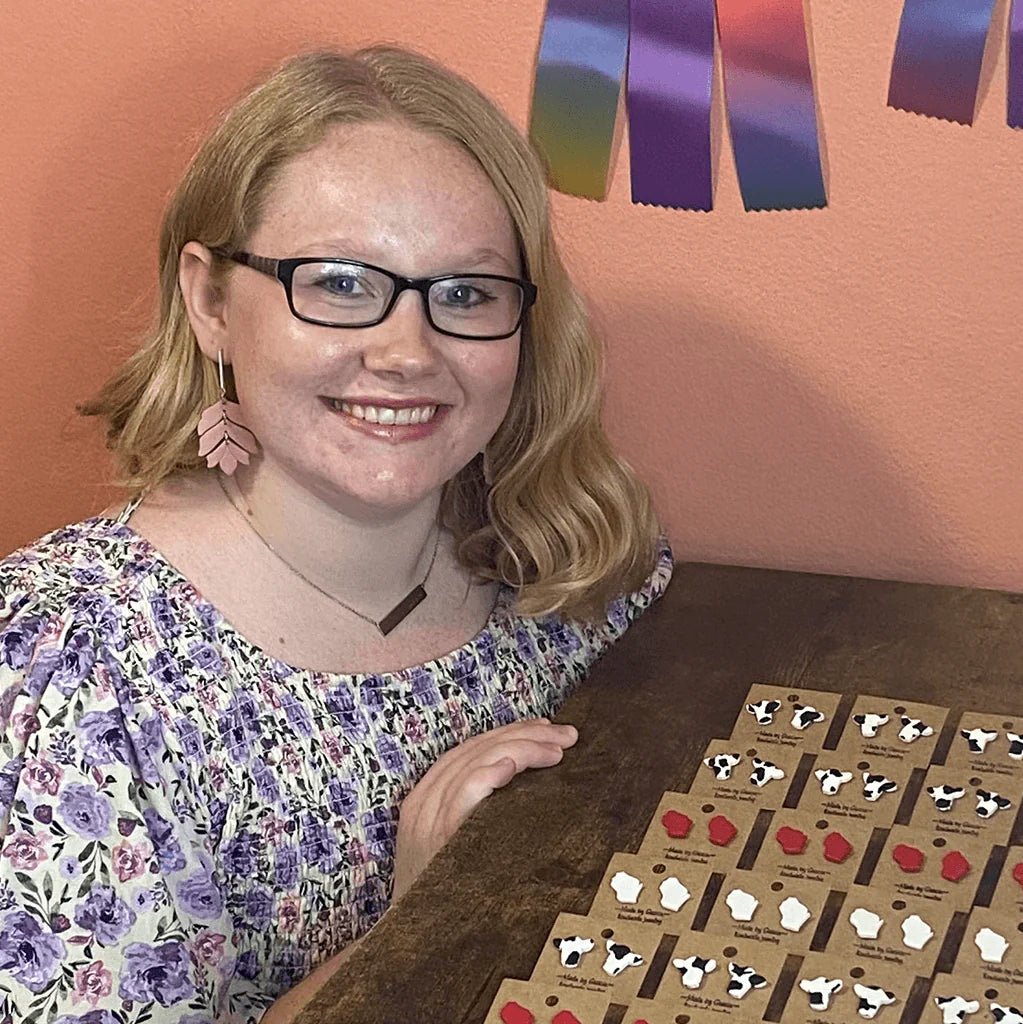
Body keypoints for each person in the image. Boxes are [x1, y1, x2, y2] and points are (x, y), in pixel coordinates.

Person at [0, 45, 672, 1023]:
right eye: (343, 283)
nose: (406, 351)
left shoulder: (577, 577)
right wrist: (422, 923)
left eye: (467, 292)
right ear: (209, 300)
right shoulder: (66, 674)